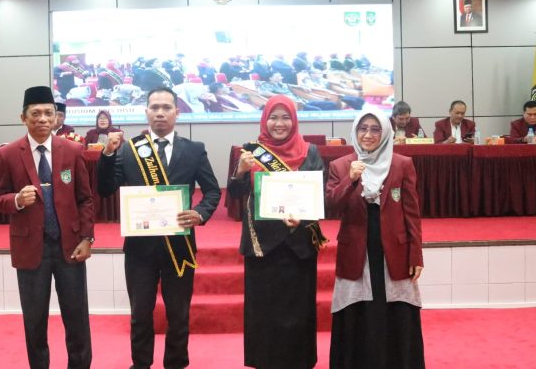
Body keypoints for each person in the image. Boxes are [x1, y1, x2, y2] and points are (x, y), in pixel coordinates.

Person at [97, 86, 221, 369]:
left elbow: (213, 191)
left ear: (177, 112)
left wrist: (200, 214)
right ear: (146, 113)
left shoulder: (194, 150)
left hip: (179, 245)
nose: (160, 113)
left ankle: (176, 363)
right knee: (140, 313)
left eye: (166, 108)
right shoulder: (129, 150)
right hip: (140, 247)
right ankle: (140, 364)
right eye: (155, 108)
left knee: (178, 313)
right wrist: (106, 155)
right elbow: (105, 189)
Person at [0, 86, 94, 369]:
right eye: (35, 113)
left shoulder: (73, 151)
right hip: (30, 249)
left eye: (49, 113)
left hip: (70, 248)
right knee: (34, 321)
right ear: (22, 117)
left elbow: (85, 198)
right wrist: (16, 200)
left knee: (77, 319)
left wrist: (87, 238)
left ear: (56, 117)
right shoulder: (9, 153)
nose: (43, 119)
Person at [228, 95, 324, 369]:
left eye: (285, 118)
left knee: (299, 312)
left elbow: (318, 197)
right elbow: (234, 195)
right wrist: (240, 171)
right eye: (274, 117)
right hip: (262, 246)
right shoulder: (250, 151)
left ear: (294, 120)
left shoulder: (311, 152)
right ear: (264, 119)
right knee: (263, 313)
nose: (279, 124)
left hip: (299, 245)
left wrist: (301, 220)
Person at [326, 109, 425, 369]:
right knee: (359, 312)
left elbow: (412, 213)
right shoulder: (340, 165)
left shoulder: (402, 163)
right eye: (363, 129)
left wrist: (416, 254)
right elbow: (331, 207)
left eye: (375, 129)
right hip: (356, 251)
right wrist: (350, 179)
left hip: (394, 251)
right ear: (355, 132)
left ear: (385, 132)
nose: (368, 135)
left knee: (395, 311)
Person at [258, 72, 338, 111]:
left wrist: (301, 87)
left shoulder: (282, 84)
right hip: (295, 105)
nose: (281, 77)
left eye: (280, 75)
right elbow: (262, 93)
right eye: (278, 76)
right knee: (317, 111)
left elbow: (292, 86)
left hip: (303, 101)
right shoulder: (266, 85)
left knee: (332, 104)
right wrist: (281, 96)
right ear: (270, 78)